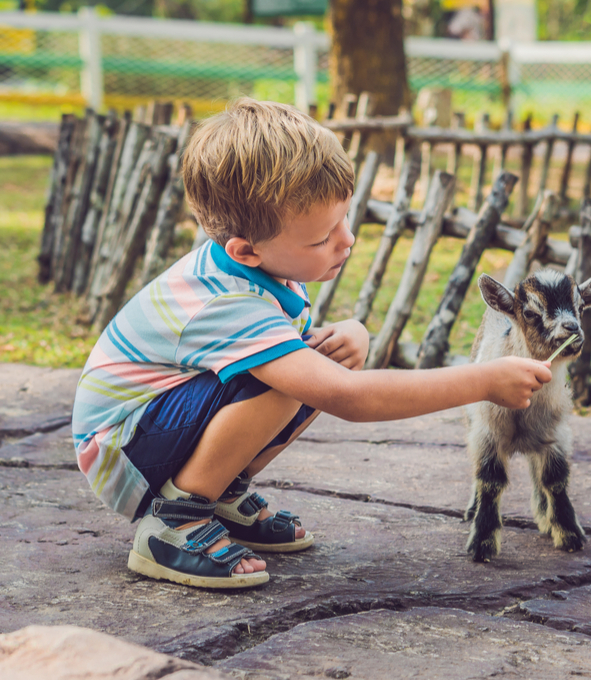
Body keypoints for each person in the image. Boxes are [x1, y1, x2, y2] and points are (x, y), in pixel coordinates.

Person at [71, 97, 553, 589]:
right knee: (293, 381)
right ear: (247, 250)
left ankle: (219, 493)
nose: (345, 241)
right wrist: (480, 381)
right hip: (121, 450)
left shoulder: (261, 269)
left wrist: (353, 333)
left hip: (149, 429)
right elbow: (345, 397)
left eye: (344, 220)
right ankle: (175, 518)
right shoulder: (225, 303)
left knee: (310, 365)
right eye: (323, 237)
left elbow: (311, 362)